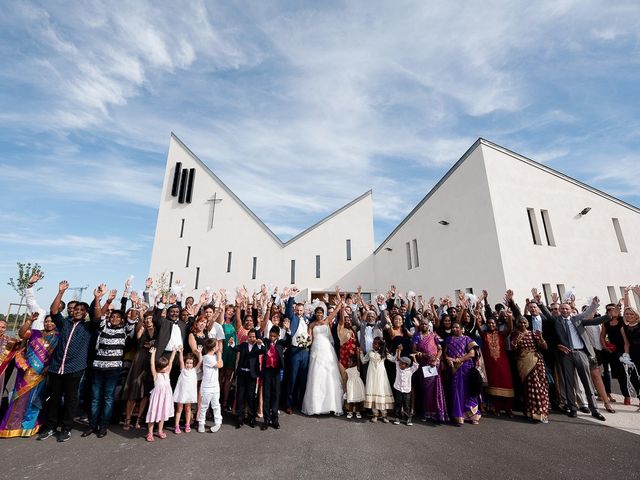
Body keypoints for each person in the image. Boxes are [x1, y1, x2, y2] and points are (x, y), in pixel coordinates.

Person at [37, 281, 100, 443]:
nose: (78, 312)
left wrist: (98, 298)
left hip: (75, 368)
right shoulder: (64, 323)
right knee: (54, 398)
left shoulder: (88, 327)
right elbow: (53, 310)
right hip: (57, 367)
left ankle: (66, 429)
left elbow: (98, 316)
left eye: (81, 310)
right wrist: (60, 292)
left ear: (85, 313)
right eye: (76, 309)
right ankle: (51, 427)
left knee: (71, 400)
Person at [541, 296, 606, 420]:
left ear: (571, 309)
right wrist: (540, 303)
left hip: (580, 353)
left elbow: (592, 318)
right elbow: (547, 313)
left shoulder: (578, 319)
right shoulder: (557, 321)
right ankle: (572, 408)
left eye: (566, 309)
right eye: (562, 309)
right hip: (566, 355)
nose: (564, 311)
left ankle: (595, 410)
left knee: (587, 382)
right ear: (559, 310)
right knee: (568, 382)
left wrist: (604, 312)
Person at [0, 312, 58, 437]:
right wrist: (29, 321)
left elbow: (58, 355)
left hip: (41, 373)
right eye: (47, 321)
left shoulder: (58, 337)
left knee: (35, 400)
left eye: (51, 321)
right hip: (26, 371)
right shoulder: (36, 333)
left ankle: (28, 427)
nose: (49, 323)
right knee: (19, 398)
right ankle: (13, 425)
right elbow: (22, 334)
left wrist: (49, 367)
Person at [302, 294, 344, 416]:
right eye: (317, 313)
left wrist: (339, 301)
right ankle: (316, 406)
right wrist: (304, 342)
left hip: (327, 349)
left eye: (321, 313)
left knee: (329, 375)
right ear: (315, 314)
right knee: (316, 374)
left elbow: (335, 312)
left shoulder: (326, 321)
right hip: (316, 349)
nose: (319, 314)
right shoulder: (311, 325)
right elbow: (309, 338)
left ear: (323, 313)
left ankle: (331, 404)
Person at [511, 317, 550, 423]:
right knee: (528, 388)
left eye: (524, 322)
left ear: (527, 324)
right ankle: (530, 413)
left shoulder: (533, 334)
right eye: (520, 322)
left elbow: (545, 347)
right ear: (517, 324)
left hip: (536, 361)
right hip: (523, 363)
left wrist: (541, 337)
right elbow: (513, 348)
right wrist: (516, 340)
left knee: (539, 386)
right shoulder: (515, 335)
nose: (522, 324)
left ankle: (541, 413)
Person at [122, 311, 155, 430]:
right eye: (146, 318)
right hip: (139, 361)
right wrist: (138, 311)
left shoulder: (158, 332)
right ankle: (128, 418)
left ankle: (139, 418)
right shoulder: (141, 329)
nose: (148, 320)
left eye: (150, 318)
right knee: (133, 391)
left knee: (145, 392)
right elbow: (138, 333)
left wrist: (153, 343)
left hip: (150, 361)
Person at [444, 322, 480, 425]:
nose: (454, 329)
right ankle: (458, 415)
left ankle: (472, 415)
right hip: (453, 369)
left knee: (468, 390)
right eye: (453, 327)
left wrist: (458, 360)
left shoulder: (467, 339)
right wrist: (448, 360)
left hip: (466, 368)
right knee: (456, 390)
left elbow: (472, 353)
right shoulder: (448, 339)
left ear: (462, 329)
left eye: (457, 327)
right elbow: (445, 353)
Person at [413, 319, 448, 423]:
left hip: (434, 365)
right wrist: (423, 355)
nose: (424, 325)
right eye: (422, 324)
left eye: (426, 324)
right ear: (420, 325)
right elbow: (414, 349)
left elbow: (440, 349)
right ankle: (426, 413)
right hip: (423, 365)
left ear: (429, 325)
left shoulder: (434, 335)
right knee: (426, 389)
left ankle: (438, 413)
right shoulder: (417, 336)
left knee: (436, 389)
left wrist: (436, 359)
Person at [481, 309, 514, 416]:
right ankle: (497, 408)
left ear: (496, 324)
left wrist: (509, 317)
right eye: (489, 323)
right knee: (494, 386)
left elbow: (509, 329)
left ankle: (508, 409)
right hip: (490, 365)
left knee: (506, 383)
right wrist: (477, 313)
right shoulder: (484, 334)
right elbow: (477, 326)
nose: (491, 325)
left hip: (503, 363)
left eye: (493, 323)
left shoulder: (501, 334)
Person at [284, 287, 310, 413]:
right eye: (298, 310)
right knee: (292, 379)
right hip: (294, 351)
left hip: (305, 352)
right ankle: (289, 404)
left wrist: (309, 340)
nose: (299, 312)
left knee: (303, 379)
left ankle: (300, 403)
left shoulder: (307, 320)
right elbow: (288, 310)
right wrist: (292, 297)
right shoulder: (293, 317)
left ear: (304, 311)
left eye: (301, 310)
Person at [146, 347, 177, 441]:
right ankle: (150, 433)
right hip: (157, 398)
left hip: (166, 397)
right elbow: (152, 364)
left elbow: (171, 361)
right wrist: (153, 354)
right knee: (153, 414)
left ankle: (160, 430)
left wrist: (174, 352)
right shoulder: (156, 375)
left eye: (166, 366)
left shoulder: (167, 373)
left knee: (163, 414)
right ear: (159, 367)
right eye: (164, 366)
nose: (166, 367)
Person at [233, 329, 263, 428]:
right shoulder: (243, 345)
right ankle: (239, 418)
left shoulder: (257, 347)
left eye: (253, 336)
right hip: (242, 373)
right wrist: (232, 344)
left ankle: (251, 418)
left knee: (251, 396)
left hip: (252, 375)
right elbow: (235, 348)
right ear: (247, 337)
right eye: (250, 336)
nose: (252, 338)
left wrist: (259, 344)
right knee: (240, 395)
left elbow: (263, 350)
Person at [360, 338, 394, 422]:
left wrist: (398, 352)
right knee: (372, 391)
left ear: (380, 345)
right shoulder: (370, 352)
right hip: (371, 374)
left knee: (381, 391)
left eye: (375, 344)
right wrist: (360, 353)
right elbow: (364, 361)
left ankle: (384, 415)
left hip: (381, 375)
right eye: (373, 343)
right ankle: (375, 414)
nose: (373, 345)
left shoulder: (384, 352)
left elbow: (393, 359)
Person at [261, 326, 287, 430]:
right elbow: (259, 334)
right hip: (267, 371)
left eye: (274, 336)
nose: (272, 338)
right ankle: (266, 420)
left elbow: (288, 341)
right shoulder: (266, 341)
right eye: (270, 335)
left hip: (276, 371)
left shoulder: (280, 343)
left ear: (278, 336)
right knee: (266, 396)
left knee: (276, 395)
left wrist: (288, 330)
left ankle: (275, 420)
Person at [173, 347, 202, 434]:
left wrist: (199, 352)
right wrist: (181, 352)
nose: (188, 364)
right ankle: (177, 426)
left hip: (189, 393)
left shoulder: (194, 370)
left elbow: (200, 361)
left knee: (188, 408)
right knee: (179, 409)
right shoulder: (183, 369)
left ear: (193, 364)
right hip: (181, 393)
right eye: (187, 363)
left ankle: (187, 424)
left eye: (190, 363)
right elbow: (181, 361)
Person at [198, 338, 223, 433]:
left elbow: (221, 364)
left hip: (215, 386)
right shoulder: (207, 358)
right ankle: (201, 423)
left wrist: (218, 356)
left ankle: (218, 422)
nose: (218, 347)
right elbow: (220, 365)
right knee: (204, 406)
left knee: (216, 405)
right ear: (213, 347)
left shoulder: (215, 356)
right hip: (207, 386)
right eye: (217, 345)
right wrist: (219, 354)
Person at [390, 348, 419, 426]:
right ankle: (397, 417)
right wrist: (399, 352)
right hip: (398, 389)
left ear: (406, 365)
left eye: (402, 364)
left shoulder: (410, 370)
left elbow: (416, 366)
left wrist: (414, 357)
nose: (400, 365)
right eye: (400, 363)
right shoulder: (398, 368)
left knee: (406, 405)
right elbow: (397, 360)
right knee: (398, 403)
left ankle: (408, 419)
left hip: (406, 390)